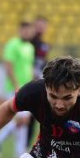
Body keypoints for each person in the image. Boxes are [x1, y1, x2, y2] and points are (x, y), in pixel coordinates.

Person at [0, 21, 35, 158]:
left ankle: (19, 151)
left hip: (27, 86)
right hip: (15, 87)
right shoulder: (13, 44)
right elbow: (8, 65)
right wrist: (15, 84)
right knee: (23, 119)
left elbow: (29, 67)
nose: (27, 32)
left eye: (29, 30)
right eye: (25, 30)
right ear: (20, 30)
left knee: (24, 120)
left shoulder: (30, 47)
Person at [26, 16, 50, 148]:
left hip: (39, 80)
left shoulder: (44, 44)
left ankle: (27, 145)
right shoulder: (30, 43)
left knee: (32, 115)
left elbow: (42, 62)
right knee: (26, 115)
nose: (41, 28)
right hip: (30, 80)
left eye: (43, 25)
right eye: (39, 25)